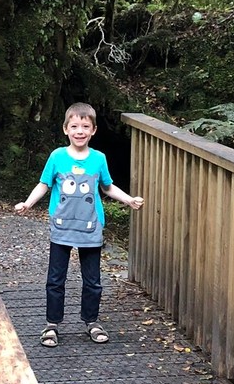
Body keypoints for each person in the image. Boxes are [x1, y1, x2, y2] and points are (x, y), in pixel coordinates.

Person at [14, 102, 143, 347]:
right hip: (62, 227)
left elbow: (106, 187)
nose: (80, 131)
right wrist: (28, 203)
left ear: (93, 130)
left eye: (85, 126)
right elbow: (44, 184)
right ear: (66, 129)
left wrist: (129, 199)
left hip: (90, 227)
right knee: (55, 279)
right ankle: (52, 325)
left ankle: (91, 322)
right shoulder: (57, 157)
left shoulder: (98, 159)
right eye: (74, 126)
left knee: (93, 280)